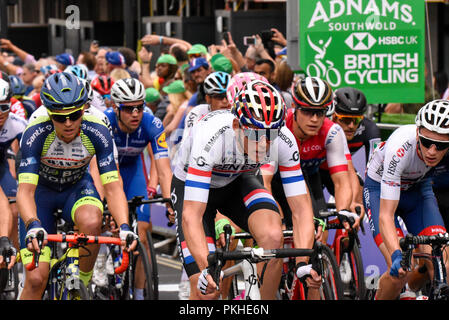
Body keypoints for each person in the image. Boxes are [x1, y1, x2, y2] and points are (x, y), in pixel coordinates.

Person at [172, 79, 319, 300]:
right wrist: (205, 269)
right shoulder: (211, 138)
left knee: (272, 236)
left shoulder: (284, 140)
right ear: (237, 127)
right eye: (256, 134)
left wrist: (303, 263)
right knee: (206, 291)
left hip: (237, 182)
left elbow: (301, 208)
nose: (264, 143)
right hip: (193, 189)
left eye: (271, 135)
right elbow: (192, 216)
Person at [16, 72, 138, 300]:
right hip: (41, 193)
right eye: (60, 118)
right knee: (35, 280)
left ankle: (81, 283)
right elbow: (25, 191)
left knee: (93, 220)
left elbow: (112, 186)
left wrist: (124, 226)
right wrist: (33, 224)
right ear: (49, 114)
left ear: (84, 109)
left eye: (74, 115)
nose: (69, 123)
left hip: (76, 187)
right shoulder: (35, 131)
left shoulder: (98, 129)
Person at [363, 99, 449, 300]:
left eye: (441, 145)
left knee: (443, 264)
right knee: (399, 271)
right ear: (418, 133)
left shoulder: (432, 149)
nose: (432, 151)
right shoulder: (400, 148)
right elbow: (385, 215)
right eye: (427, 142)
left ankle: (411, 290)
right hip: (379, 191)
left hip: (418, 190)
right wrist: (395, 255)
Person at [105, 78, 174, 299]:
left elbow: (164, 169)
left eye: (140, 106)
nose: (135, 113)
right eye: (128, 108)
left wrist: (170, 200)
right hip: (107, 172)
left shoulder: (152, 124)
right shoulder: (104, 123)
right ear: (115, 107)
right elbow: (108, 173)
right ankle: (101, 263)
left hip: (134, 171)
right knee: (102, 220)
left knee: (142, 233)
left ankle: (139, 293)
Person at [262, 77, 358, 234]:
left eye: (320, 113)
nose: (314, 119)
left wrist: (343, 211)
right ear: (294, 107)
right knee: (276, 230)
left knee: (320, 229)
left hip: (309, 177)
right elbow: (265, 181)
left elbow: (342, 181)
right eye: (307, 111)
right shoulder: (278, 127)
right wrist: (275, 215)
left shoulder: (332, 132)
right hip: (275, 180)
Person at [323, 87, 381, 215]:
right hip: (317, 168)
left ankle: (345, 232)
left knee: (358, 194)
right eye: (345, 119)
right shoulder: (326, 126)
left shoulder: (369, 129)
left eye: (356, 120)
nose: (351, 126)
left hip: (340, 166)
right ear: (333, 115)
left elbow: (374, 170)